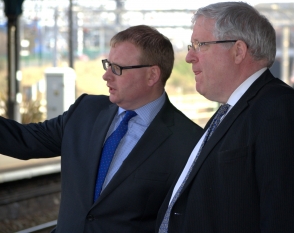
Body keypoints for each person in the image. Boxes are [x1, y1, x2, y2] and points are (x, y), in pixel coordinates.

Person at [0, 25, 203, 233]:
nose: (106, 76)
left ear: (152, 75)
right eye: (107, 65)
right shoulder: (85, 111)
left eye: (117, 68)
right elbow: (23, 140)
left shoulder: (190, 143)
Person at [156, 2, 294, 233]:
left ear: (238, 51)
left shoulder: (281, 112)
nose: (189, 56)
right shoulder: (232, 109)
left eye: (200, 45)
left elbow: (287, 220)